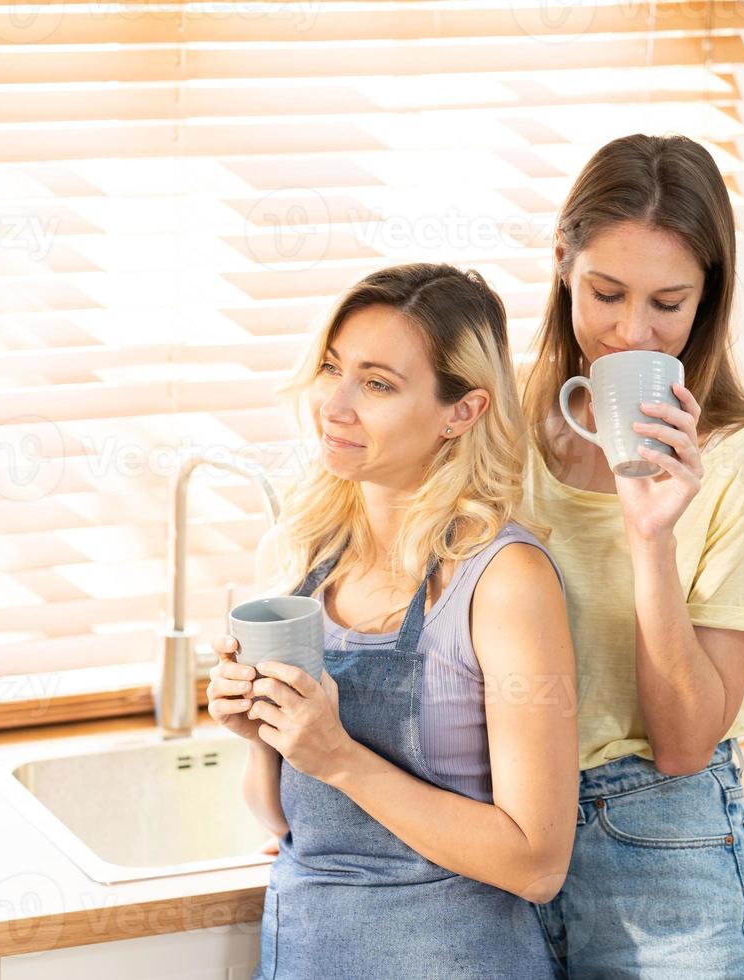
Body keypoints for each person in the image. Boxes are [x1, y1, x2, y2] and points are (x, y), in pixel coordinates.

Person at [205, 263, 577, 979]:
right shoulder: (301, 558)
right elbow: (289, 824)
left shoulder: (503, 580)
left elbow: (537, 863)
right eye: (330, 368)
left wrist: (339, 757)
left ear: (461, 412)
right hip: (309, 955)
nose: (334, 406)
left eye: (376, 384)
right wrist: (260, 735)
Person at [522, 134, 744, 979]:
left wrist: (651, 535)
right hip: (503, 844)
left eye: (668, 303)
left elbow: (685, 744)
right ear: (563, 266)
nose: (631, 332)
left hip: (662, 847)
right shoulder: (500, 422)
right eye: (606, 293)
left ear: (707, 301)